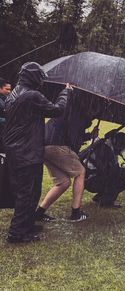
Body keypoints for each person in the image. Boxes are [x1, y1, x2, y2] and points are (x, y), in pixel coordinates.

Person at [3, 62, 69, 243]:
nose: (41, 80)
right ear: (33, 77)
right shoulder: (32, 95)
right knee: (27, 192)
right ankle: (16, 233)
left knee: (31, 191)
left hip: (18, 150)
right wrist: (66, 92)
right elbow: (57, 110)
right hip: (26, 151)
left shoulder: (16, 92)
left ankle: (27, 223)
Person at [35, 93, 99, 222]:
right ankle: (76, 213)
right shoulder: (78, 115)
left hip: (44, 147)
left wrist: (89, 135)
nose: (94, 115)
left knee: (63, 183)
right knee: (80, 172)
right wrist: (88, 135)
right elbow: (73, 140)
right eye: (94, 112)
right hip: (57, 145)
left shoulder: (71, 110)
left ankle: (39, 213)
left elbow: (71, 133)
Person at [82, 131, 125, 208]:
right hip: (90, 181)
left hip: (92, 178)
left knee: (122, 175)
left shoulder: (108, 147)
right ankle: (106, 202)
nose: (121, 150)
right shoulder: (104, 149)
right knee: (124, 176)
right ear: (117, 144)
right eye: (122, 148)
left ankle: (101, 198)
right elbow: (108, 171)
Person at [0, 77, 11, 151]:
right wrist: (7, 120)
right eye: (6, 89)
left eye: (10, 89)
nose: (9, 91)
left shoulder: (6, 98)